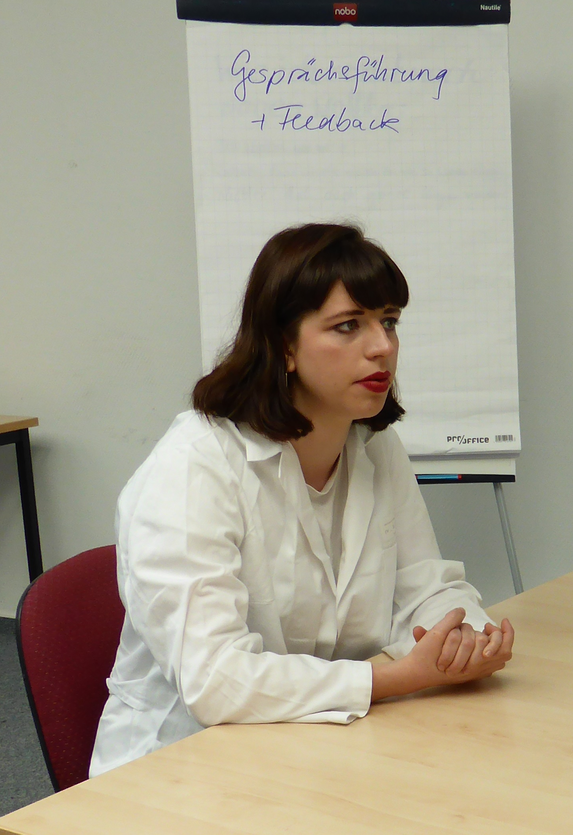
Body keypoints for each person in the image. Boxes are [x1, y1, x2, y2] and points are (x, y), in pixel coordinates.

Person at [91, 223, 515, 776]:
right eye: (348, 326)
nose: (383, 345)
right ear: (284, 346)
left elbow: (426, 586)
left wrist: (460, 635)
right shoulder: (195, 466)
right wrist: (395, 678)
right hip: (180, 766)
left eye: (389, 321)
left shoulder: (375, 446)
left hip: (319, 744)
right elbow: (216, 682)